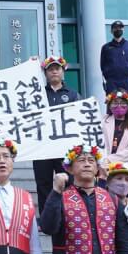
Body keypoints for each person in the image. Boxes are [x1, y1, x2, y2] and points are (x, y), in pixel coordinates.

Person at [32, 56, 80, 215]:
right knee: (43, 181)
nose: (54, 71)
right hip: (42, 147)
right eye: (50, 69)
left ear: (63, 71)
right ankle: (46, 216)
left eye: (57, 68)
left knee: (67, 180)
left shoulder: (73, 95)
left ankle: (67, 213)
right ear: (45, 73)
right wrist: (31, 66)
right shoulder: (36, 94)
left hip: (64, 148)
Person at [101, 90, 128, 172]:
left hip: (126, 167)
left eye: (123, 103)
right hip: (104, 167)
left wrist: (110, 159)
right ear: (109, 106)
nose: (119, 106)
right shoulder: (102, 121)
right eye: (115, 103)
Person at [100, 21, 128, 95]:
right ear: (111, 31)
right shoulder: (106, 47)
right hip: (112, 81)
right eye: (116, 28)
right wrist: (108, 75)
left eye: (120, 28)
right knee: (112, 104)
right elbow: (102, 64)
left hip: (127, 80)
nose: (118, 30)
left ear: (123, 30)